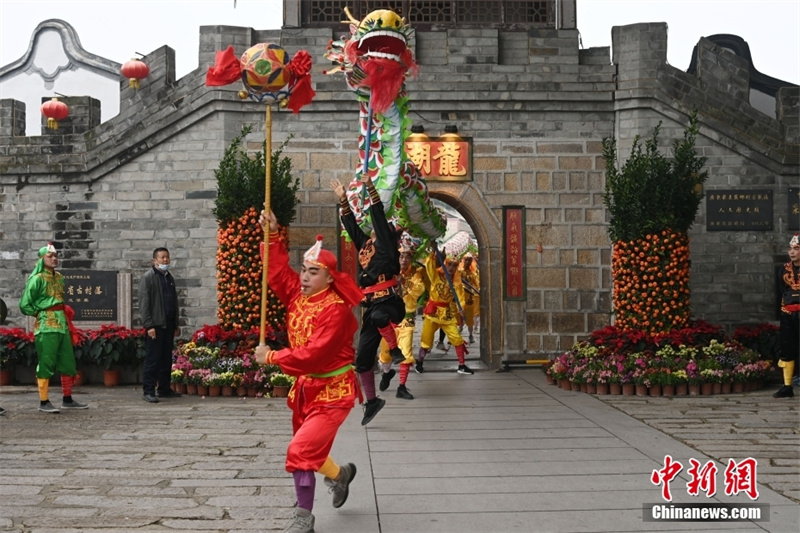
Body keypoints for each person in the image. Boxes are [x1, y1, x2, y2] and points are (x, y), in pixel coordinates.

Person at [255, 209, 363, 533]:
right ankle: (340, 476)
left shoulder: (337, 311)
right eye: (303, 270)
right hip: (305, 390)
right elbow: (276, 273)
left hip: (333, 393)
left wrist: (272, 356)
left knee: (300, 450)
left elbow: (313, 354)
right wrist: (272, 235)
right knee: (309, 448)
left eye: (313, 272)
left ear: (330, 278)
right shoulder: (298, 296)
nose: (303, 277)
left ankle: (303, 520)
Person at [331, 175, 405, 425]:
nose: (375, 227)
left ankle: (395, 350)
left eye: (382, 226)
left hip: (391, 303)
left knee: (379, 316)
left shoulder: (386, 245)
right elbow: (352, 228)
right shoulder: (366, 246)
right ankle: (372, 402)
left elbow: (377, 214)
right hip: (371, 303)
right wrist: (343, 200)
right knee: (362, 358)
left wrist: (370, 187)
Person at [19, 243, 88, 413]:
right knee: (46, 362)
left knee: (68, 361)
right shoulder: (37, 279)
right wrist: (40, 313)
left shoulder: (59, 277)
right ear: (42, 259)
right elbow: (24, 304)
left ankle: (67, 398)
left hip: (62, 324)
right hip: (47, 325)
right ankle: (44, 401)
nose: (54, 258)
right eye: (50, 256)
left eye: (56, 256)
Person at [377, 239, 427, 400]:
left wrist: (404, 283)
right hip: (390, 321)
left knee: (406, 354)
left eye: (407, 257)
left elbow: (419, 289)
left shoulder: (416, 274)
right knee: (385, 356)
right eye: (401, 256)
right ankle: (387, 373)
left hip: (406, 320)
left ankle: (402, 386)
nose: (404, 260)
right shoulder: (388, 272)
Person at [416, 246, 473, 375]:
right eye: (449, 265)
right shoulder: (436, 276)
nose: (451, 268)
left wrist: (461, 308)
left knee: (457, 338)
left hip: (447, 314)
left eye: (454, 265)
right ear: (445, 265)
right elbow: (429, 266)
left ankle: (461, 365)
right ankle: (419, 363)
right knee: (426, 340)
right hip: (433, 313)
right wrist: (433, 254)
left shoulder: (456, 283)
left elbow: (460, 297)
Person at [138, 247, 181, 403]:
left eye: (167, 257)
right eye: (162, 258)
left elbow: (174, 302)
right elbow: (144, 303)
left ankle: (164, 388)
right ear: (154, 260)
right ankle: (148, 390)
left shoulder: (169, 277)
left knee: (165, 359)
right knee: (153, 359)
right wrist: (149, 326)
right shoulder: (148, 278)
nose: (165, 260)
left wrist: (176, 323)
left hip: (168, 324)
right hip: (155, 325)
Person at [774, 233, 800, 398]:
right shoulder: (783, 269)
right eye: (790, 249)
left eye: (796, 249)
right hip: (788, 312)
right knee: (787, 348)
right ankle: (787, 386)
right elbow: (780, 292)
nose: (792, 252)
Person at [460, 252, 480, 344]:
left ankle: (470, 335)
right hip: (460, 296)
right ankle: (457, 332)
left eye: (469, 260)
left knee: (469, 317)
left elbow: (477, 284)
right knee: (458, 315)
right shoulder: (459, 272)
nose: (467, 262)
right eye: (466, 260)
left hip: (469, 297)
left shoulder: (473, 274)